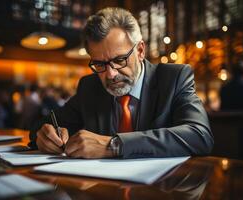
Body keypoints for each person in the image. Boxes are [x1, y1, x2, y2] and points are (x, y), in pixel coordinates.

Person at [29, 7, 213, 159]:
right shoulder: (89, 87)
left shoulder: (174, 78)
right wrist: (44, 136)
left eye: (119, 60)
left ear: (140, 50)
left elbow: (199, 136)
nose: (111, 74)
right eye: (100, 64)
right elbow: (43, 126)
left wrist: (113, 145)